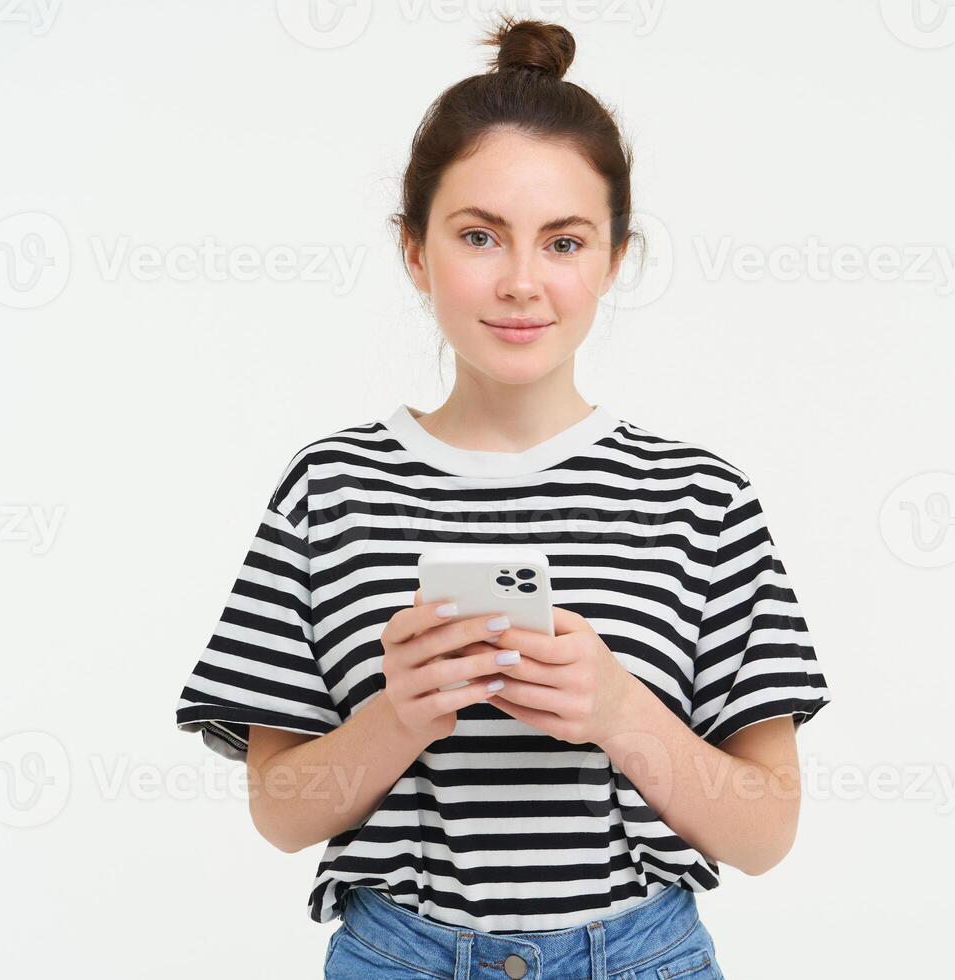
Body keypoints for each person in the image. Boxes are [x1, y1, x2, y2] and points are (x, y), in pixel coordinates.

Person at [173, 17, 830, 978]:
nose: (522, 283)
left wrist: (619, 710)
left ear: (612, 260)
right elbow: (280, 813)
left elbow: (767, 832)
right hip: (397, 955)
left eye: (563, 242)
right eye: (479, 236)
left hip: (640, 956)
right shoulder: (331, 489)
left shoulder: (701, 499)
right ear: (414, 251)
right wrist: (397, 715)